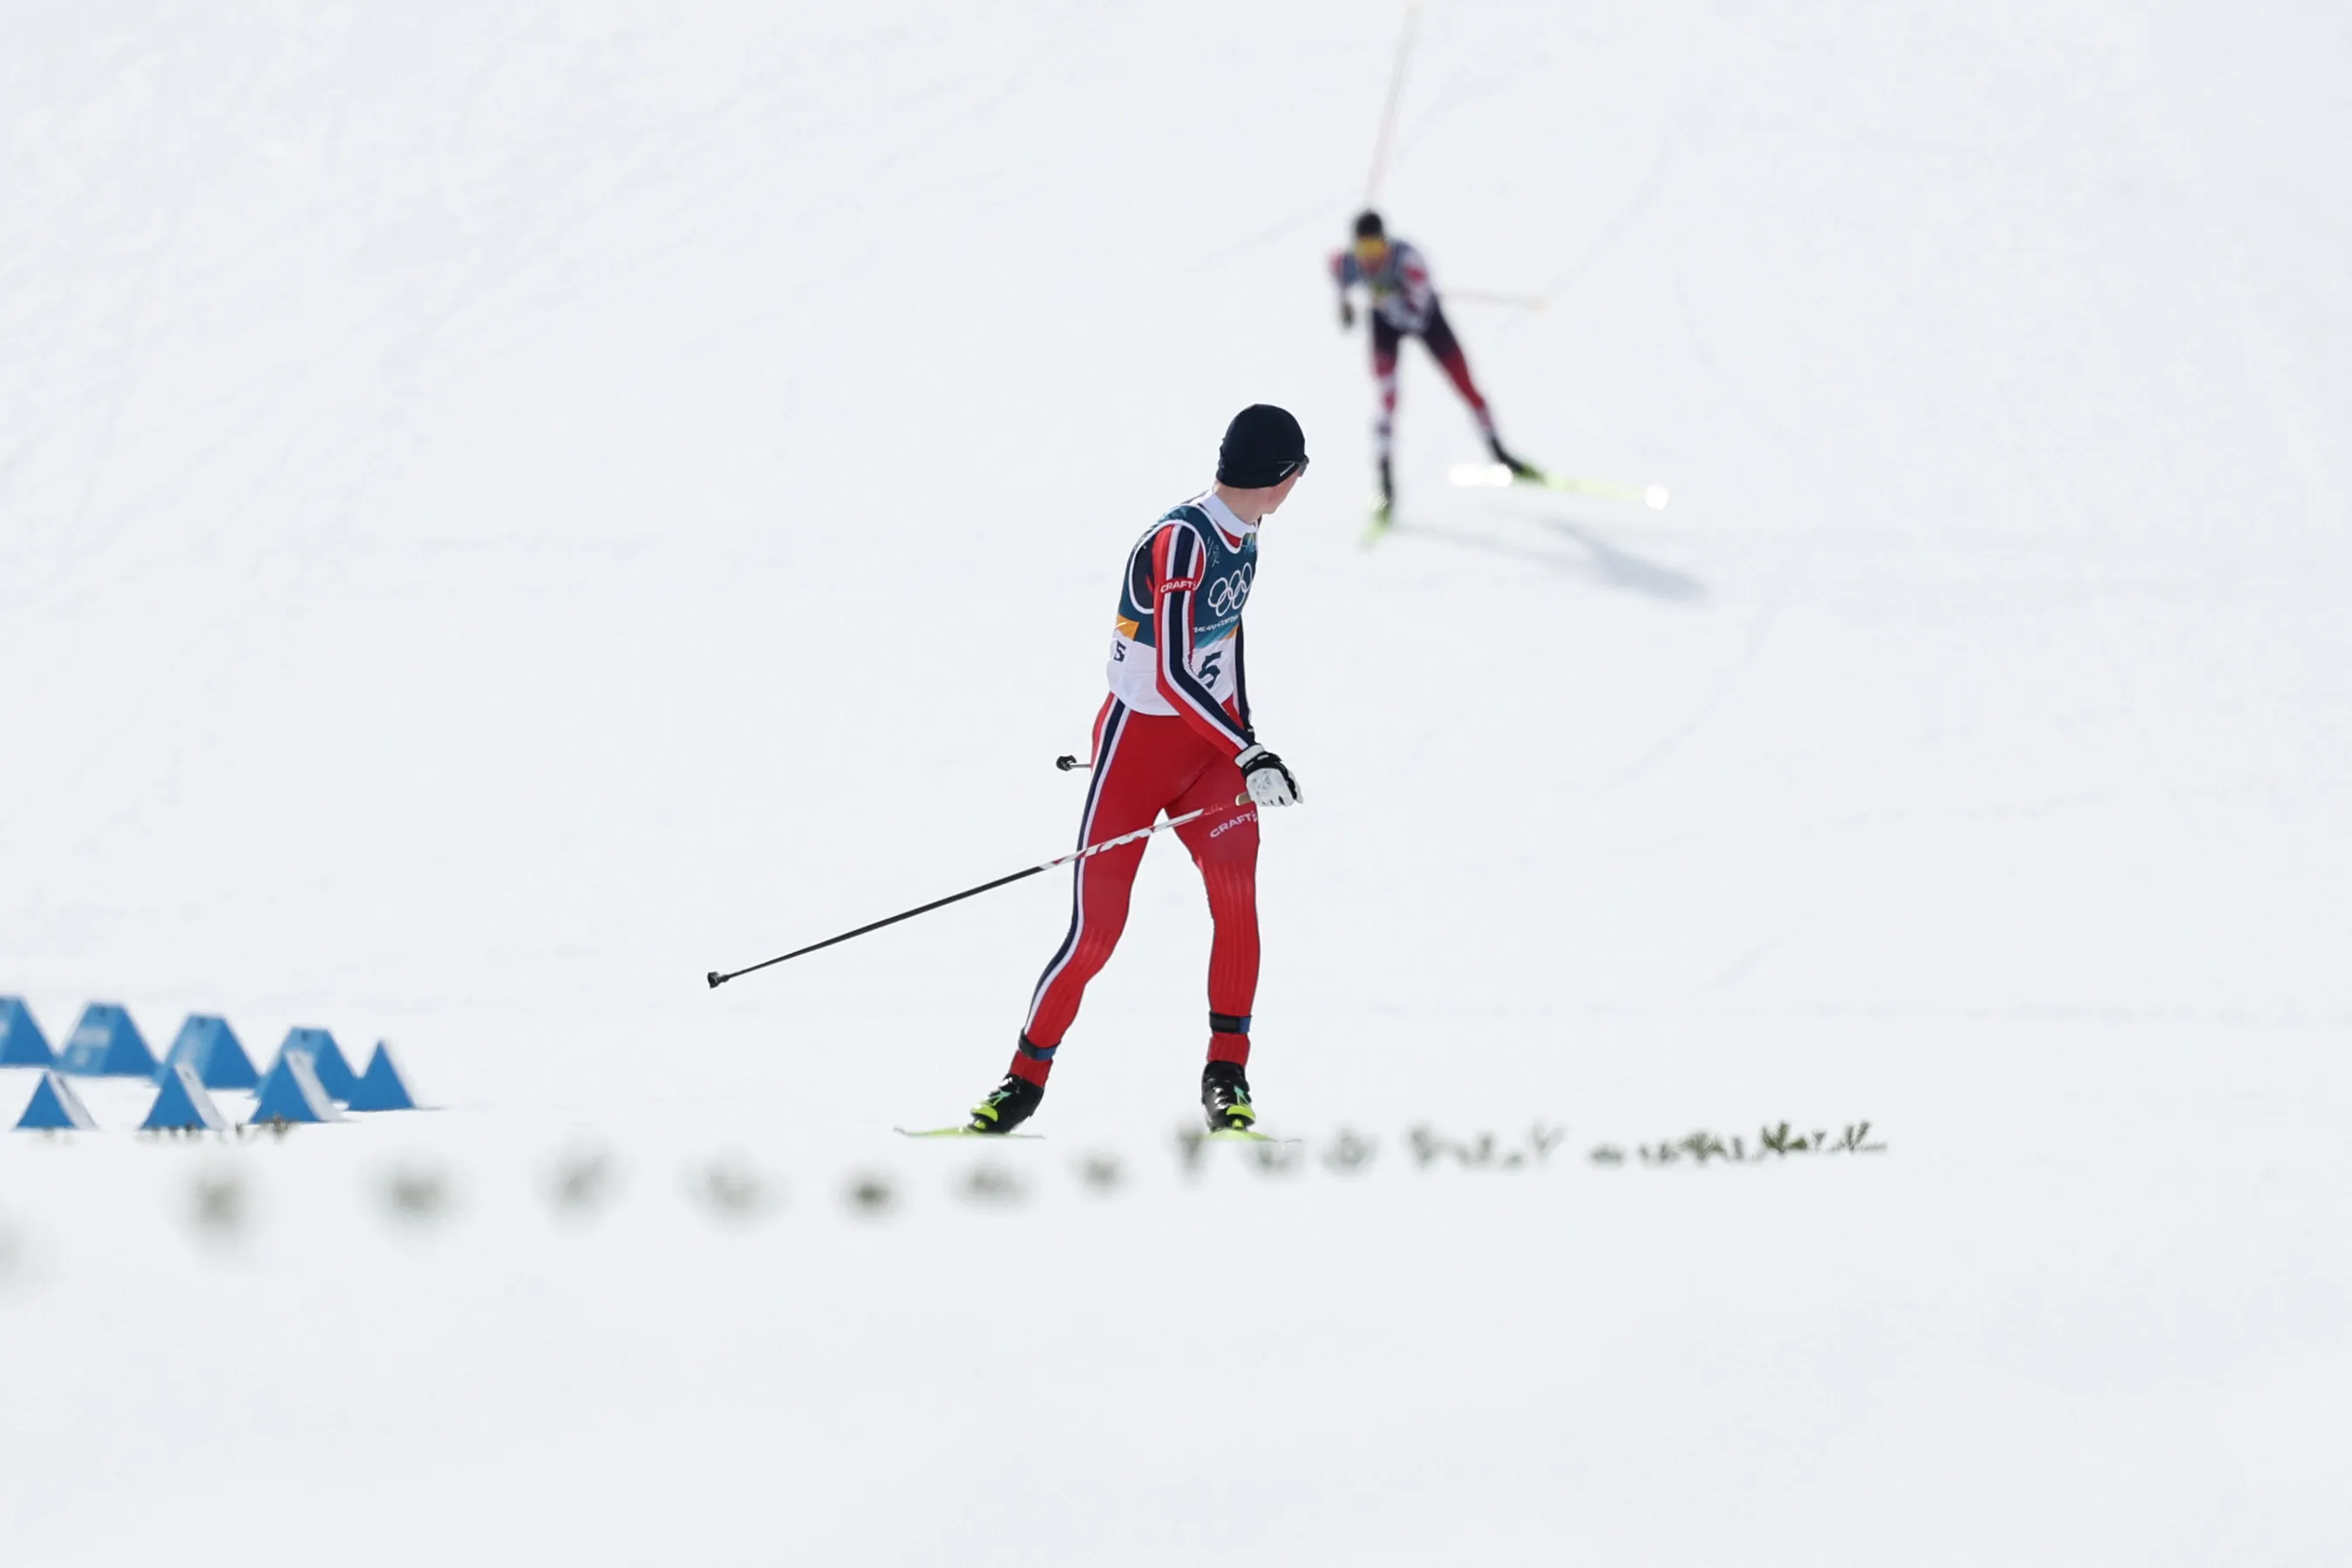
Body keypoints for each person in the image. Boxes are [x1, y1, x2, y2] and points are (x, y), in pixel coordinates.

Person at [966, 405, 1310, 1136]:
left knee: (1236, 899)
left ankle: (1228, 1075)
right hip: (1135, 752)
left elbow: (1226, 647)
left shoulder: (1245, 536)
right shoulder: (1182, 541)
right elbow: (1179, 673)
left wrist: (1243, 740)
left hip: (1209, 756)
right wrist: (1249, 751)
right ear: (1282, 478)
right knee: (1097, 932)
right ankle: (1021, 1083)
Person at [1330, 210, 1538, 520]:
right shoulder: (1347, 263)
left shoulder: (1411, 262)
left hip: (1426, 320)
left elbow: (1418, 314)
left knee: (1466, 385)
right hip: (1385, 326)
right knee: (1387, 399)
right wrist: (1345, 305)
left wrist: (1387, 299)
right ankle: (1385, 483)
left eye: (1375, 249)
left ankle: (1500, 453)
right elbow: (1338, 275)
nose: (1369, 259)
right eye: (1363, 251)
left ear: (1386, 243)